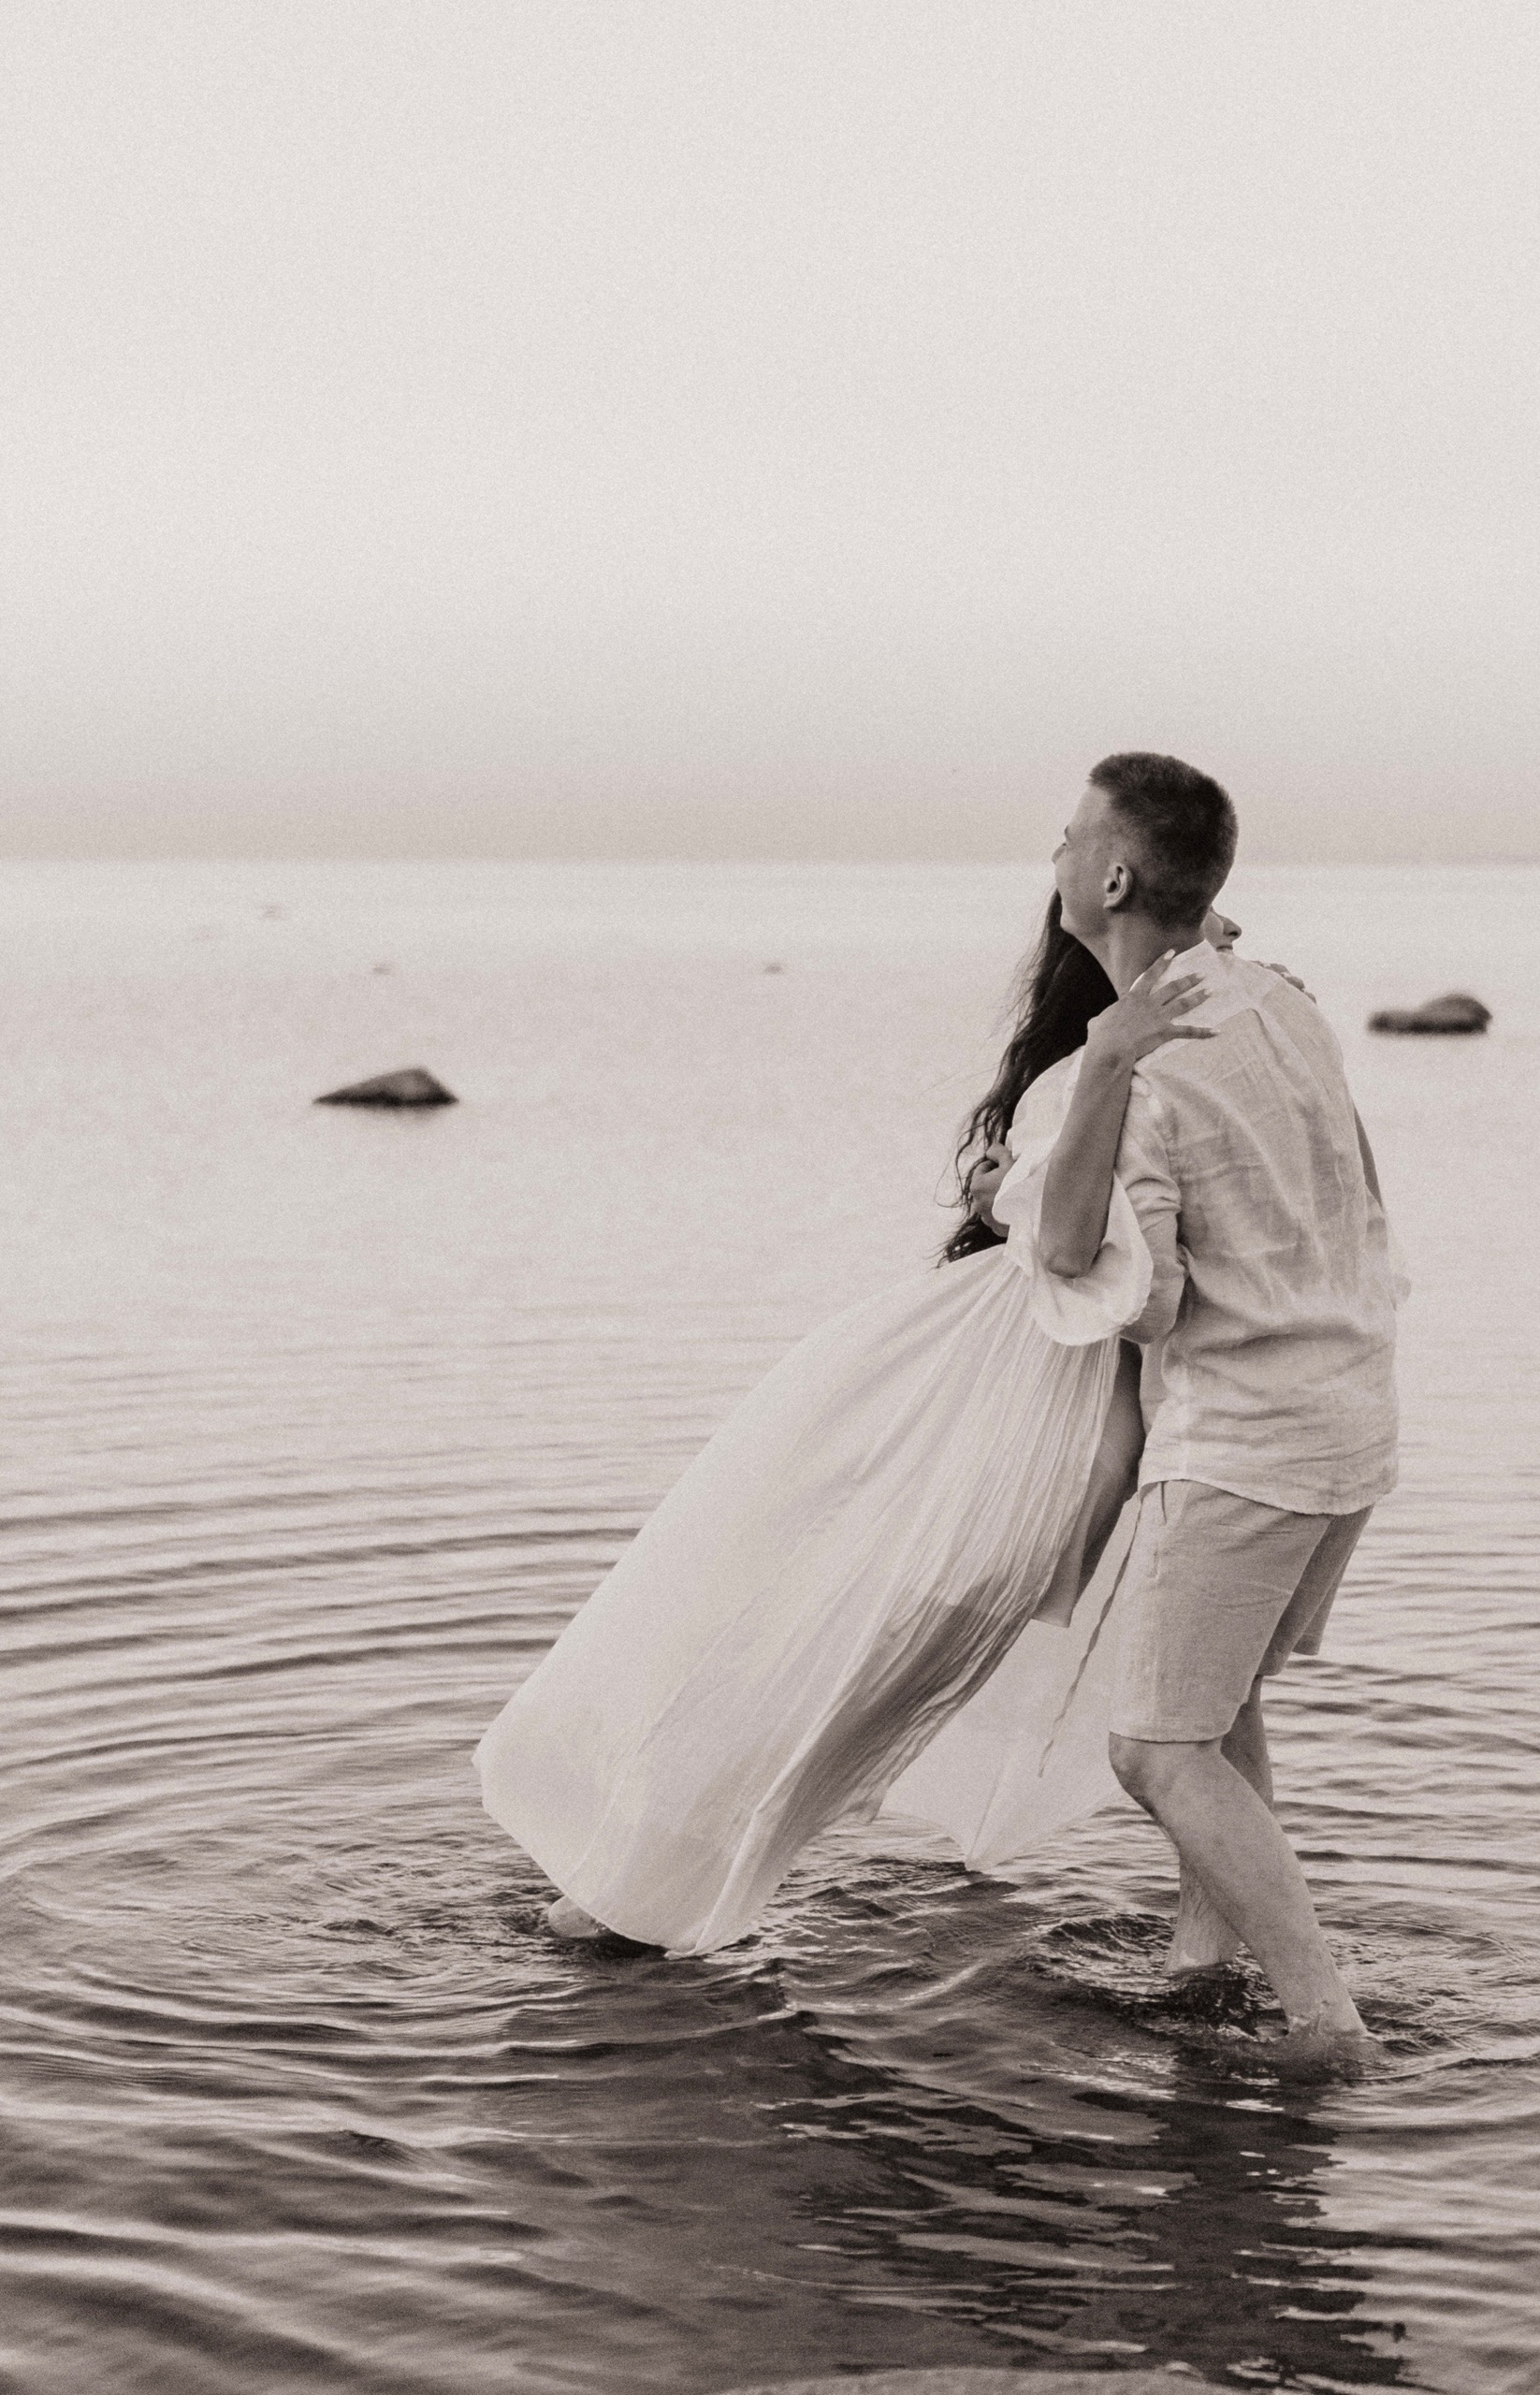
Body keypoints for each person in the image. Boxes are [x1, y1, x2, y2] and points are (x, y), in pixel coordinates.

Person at [472, 868, 1228, 1955]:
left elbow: (1109, 1266)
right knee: (805, 1667)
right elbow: (1106, 1259)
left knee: (810, 1671)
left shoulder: (1114, 1079)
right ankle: (629, 1895)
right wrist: (1018, 1195)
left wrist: (1023, 1192)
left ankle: (623, 1901)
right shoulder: (1083, 1083)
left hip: (1021, 1452)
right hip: (1007, 1438)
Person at [1019, 752, 1402, 2068]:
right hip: (1350, 1416)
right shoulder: (1279, 1002)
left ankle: (1326, 2024)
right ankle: (1201, 1966)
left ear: (1115, 876)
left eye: (1069, 836)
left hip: (1245, 1443)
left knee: (1154, 1749)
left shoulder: (1137, 1072)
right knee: (1222, 1709)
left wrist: (1098, 1070)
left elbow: (1123, 1292)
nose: (1055, 856)